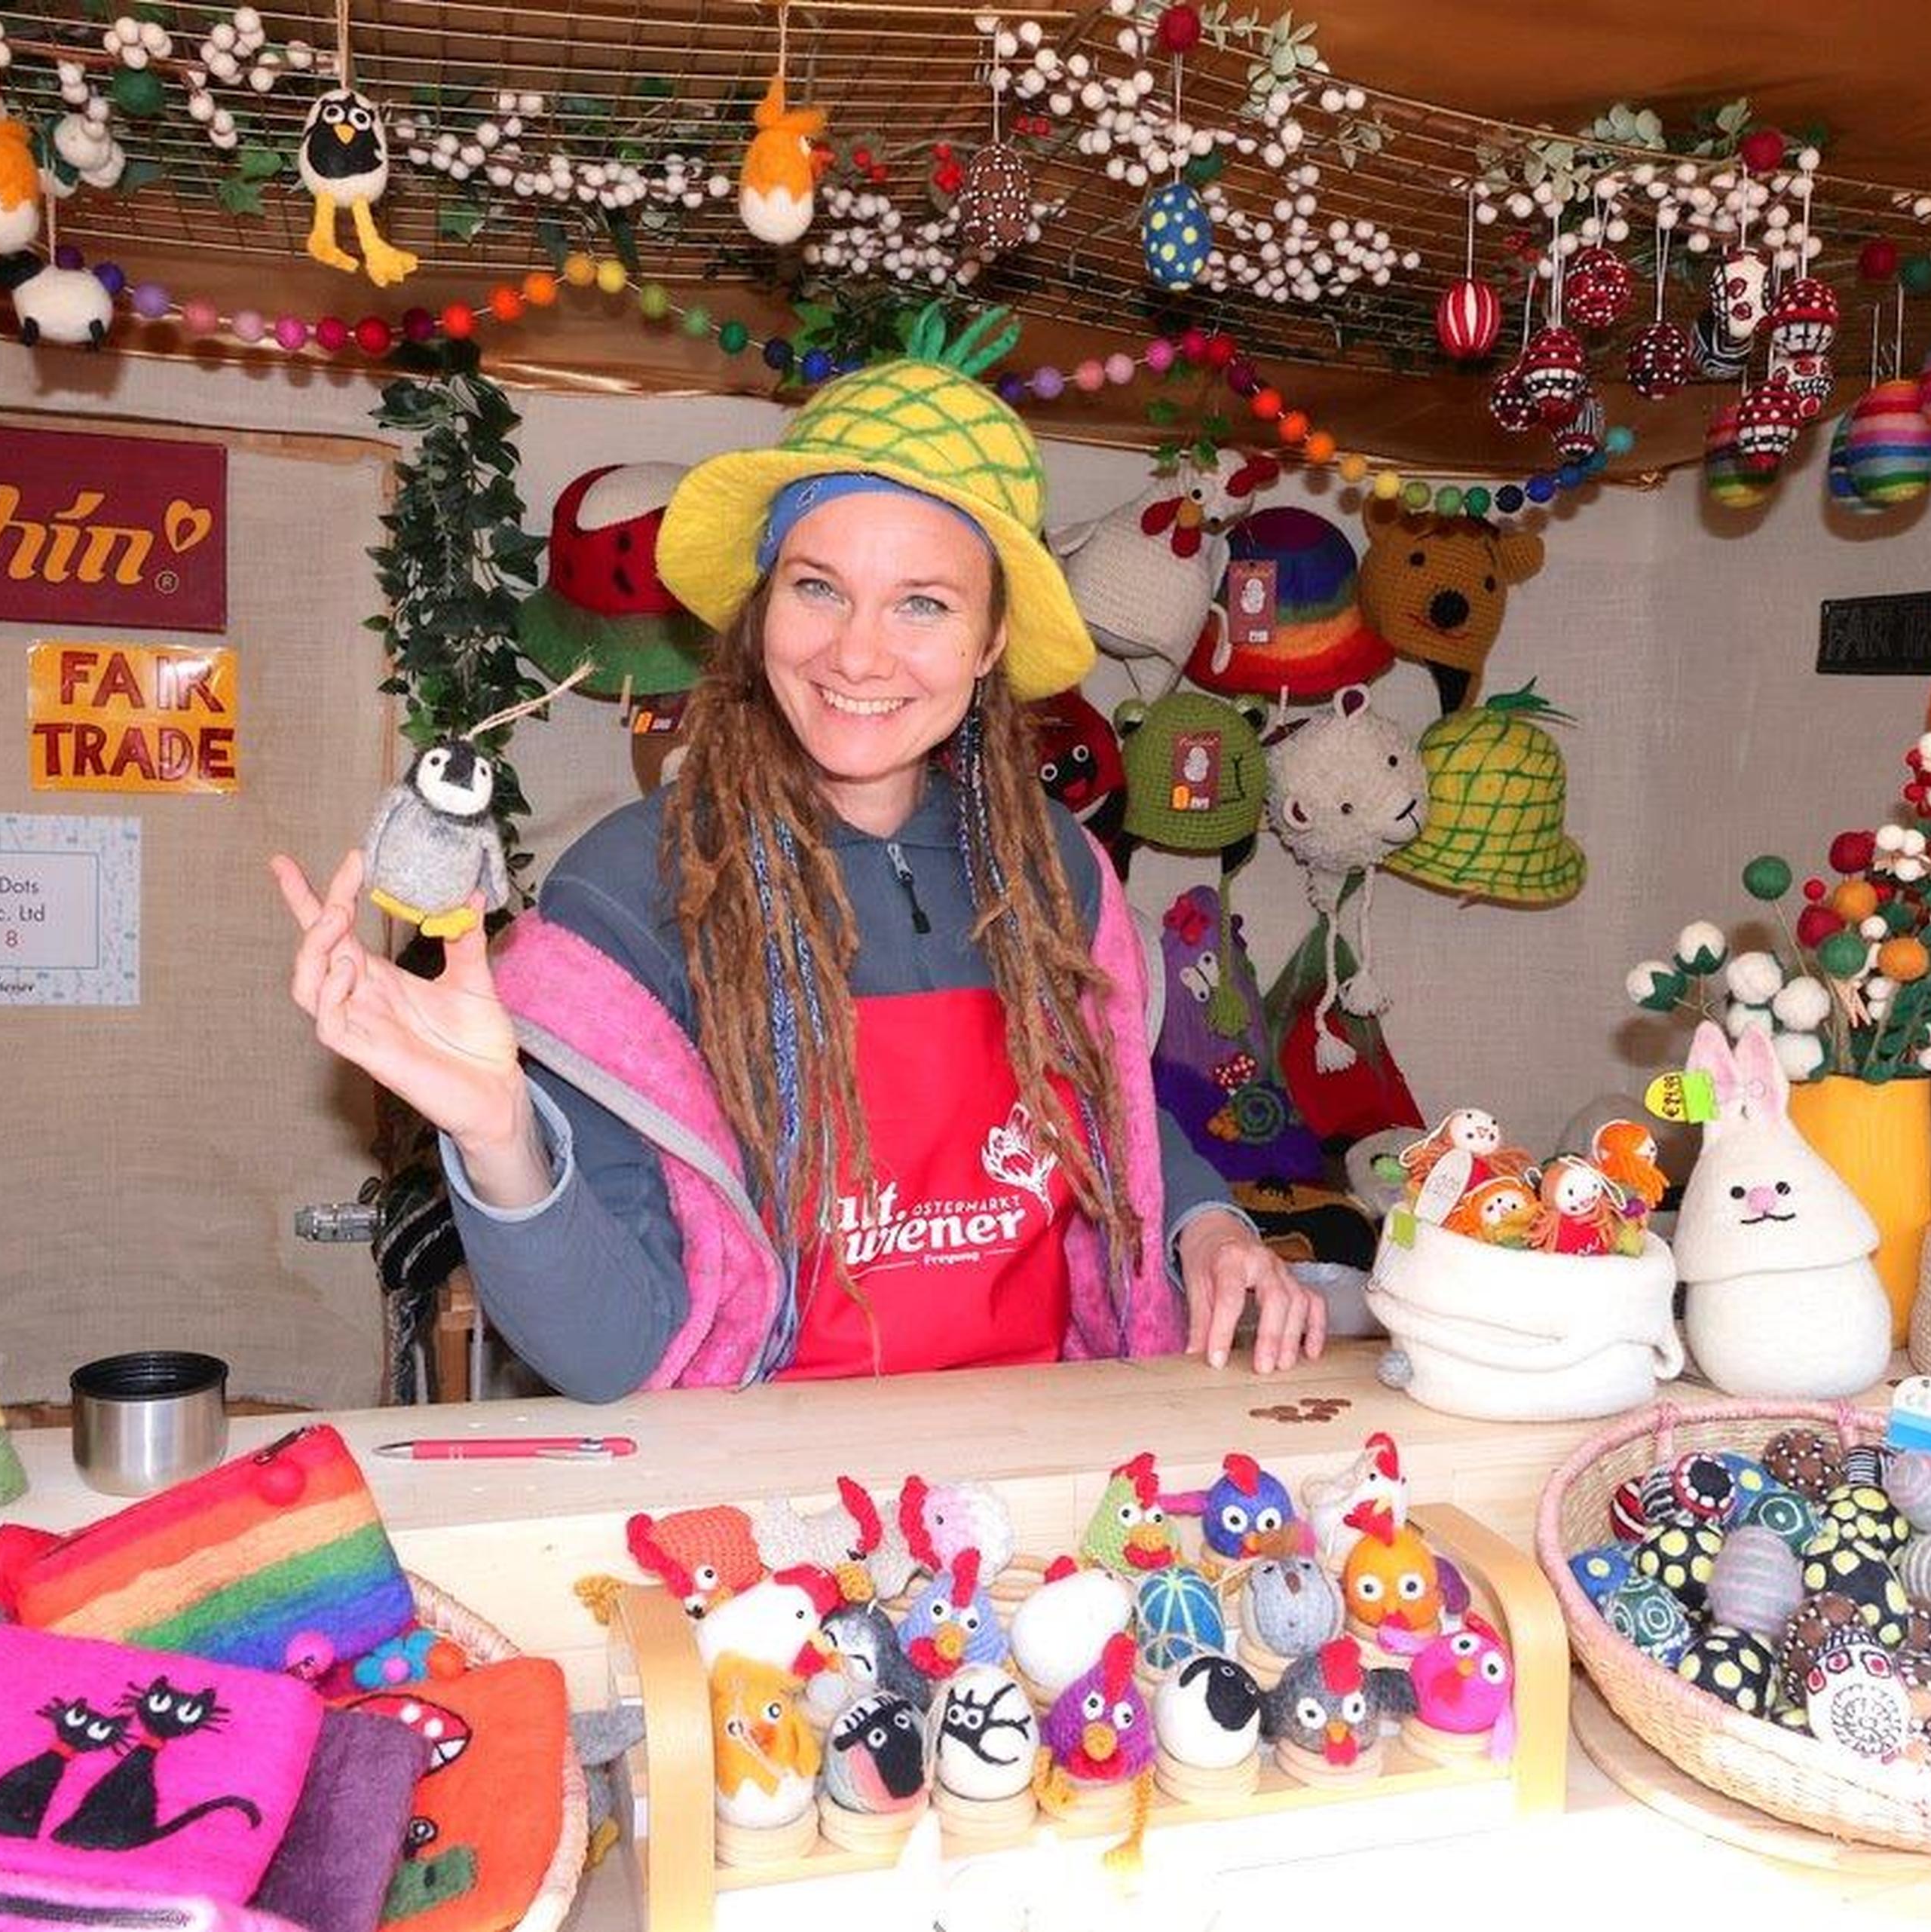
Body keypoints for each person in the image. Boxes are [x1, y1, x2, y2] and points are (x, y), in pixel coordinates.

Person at [277, 310, 1326, 1401]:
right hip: (763, 1508)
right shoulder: (632, 892)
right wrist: (497, 1133)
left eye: (923, 603)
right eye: (817, 586)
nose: (857, 653)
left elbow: (1106, 1114)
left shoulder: (1056, 866)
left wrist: (1206, 1227)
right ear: (761, 603)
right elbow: (610, 1355)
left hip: (1042, 1465)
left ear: (991, 643)